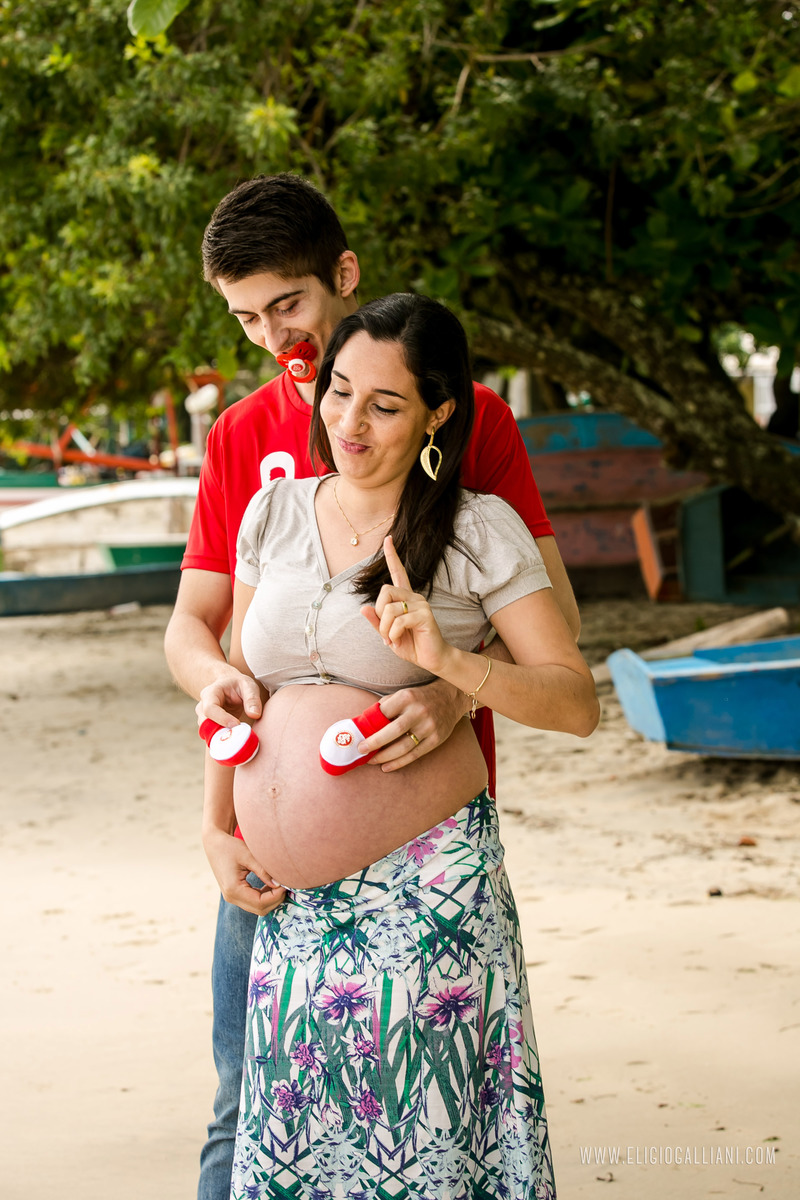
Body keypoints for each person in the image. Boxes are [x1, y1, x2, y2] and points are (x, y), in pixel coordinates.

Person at [163, 173, 579, 1200]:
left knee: (425, 1133)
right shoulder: (248, 456)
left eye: (288, 306)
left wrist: (450, 687)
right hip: (275, 864)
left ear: (340, 277)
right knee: (252, 1101)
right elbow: (206, 638)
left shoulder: (468, 427)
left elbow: (553, 648)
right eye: (246, 318)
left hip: (417, 852)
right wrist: (217, 793)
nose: (275, 340)